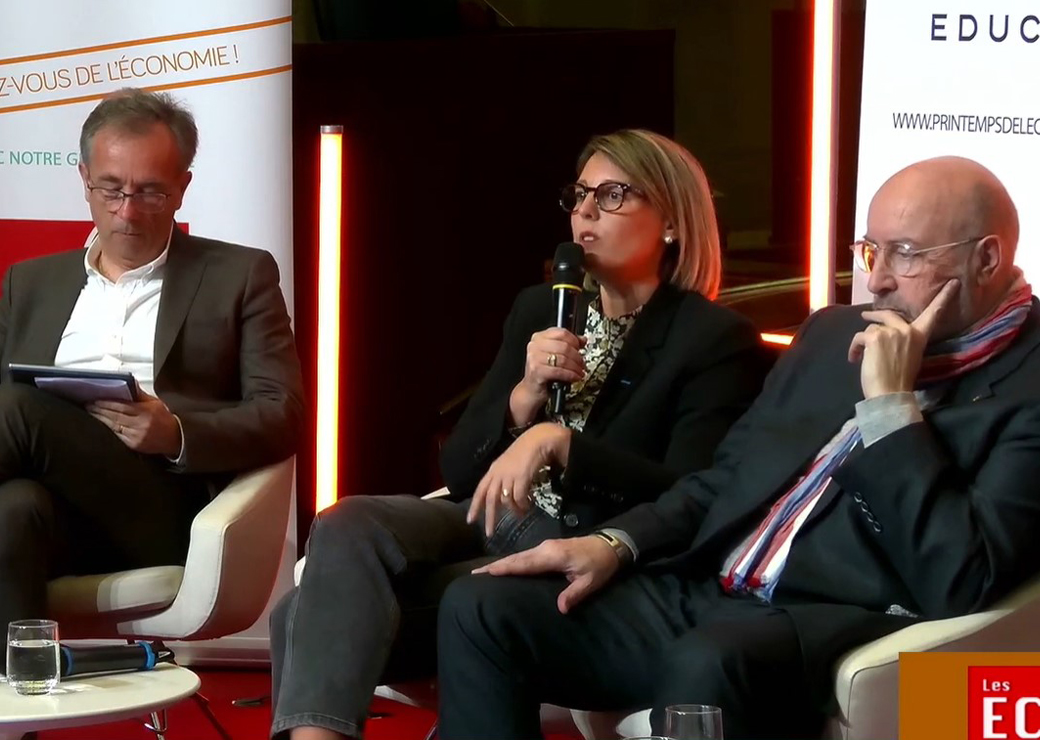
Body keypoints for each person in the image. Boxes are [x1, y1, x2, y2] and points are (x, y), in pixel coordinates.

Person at [435, 156, 1040, 740]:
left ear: (986, 258)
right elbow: (725, 478)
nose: (877, 278)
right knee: (482, 606)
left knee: (710, 658)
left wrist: (891, 409)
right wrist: (614, 543)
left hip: (831, 616)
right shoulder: (832, 333)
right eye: (870, 250)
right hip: (710, 588)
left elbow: (964, 579)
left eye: (905, 253)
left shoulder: (1029, 384)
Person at [269, 129, 771, 740]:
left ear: (671, 220)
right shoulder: (542, 308)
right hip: (491, 513)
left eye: (612, 196)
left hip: (584, 539)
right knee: (346, 520)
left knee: (302, 611)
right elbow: (459, 470)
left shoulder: (711, 338)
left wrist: (563, 445)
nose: (585, 213)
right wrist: (522, 398)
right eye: (579, 195)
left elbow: (691, 491)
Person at [0, 88, 304, 659]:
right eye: (111, 189)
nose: (127, 211)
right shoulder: (31, 284)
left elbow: (282, 413)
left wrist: (176, 433)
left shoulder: (238, 274)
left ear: (182, 188)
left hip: (164, 511)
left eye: (150, 192)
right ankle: (20, 692)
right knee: (12, 509)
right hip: (59, 519)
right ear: (84, 179)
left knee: (16, 410)